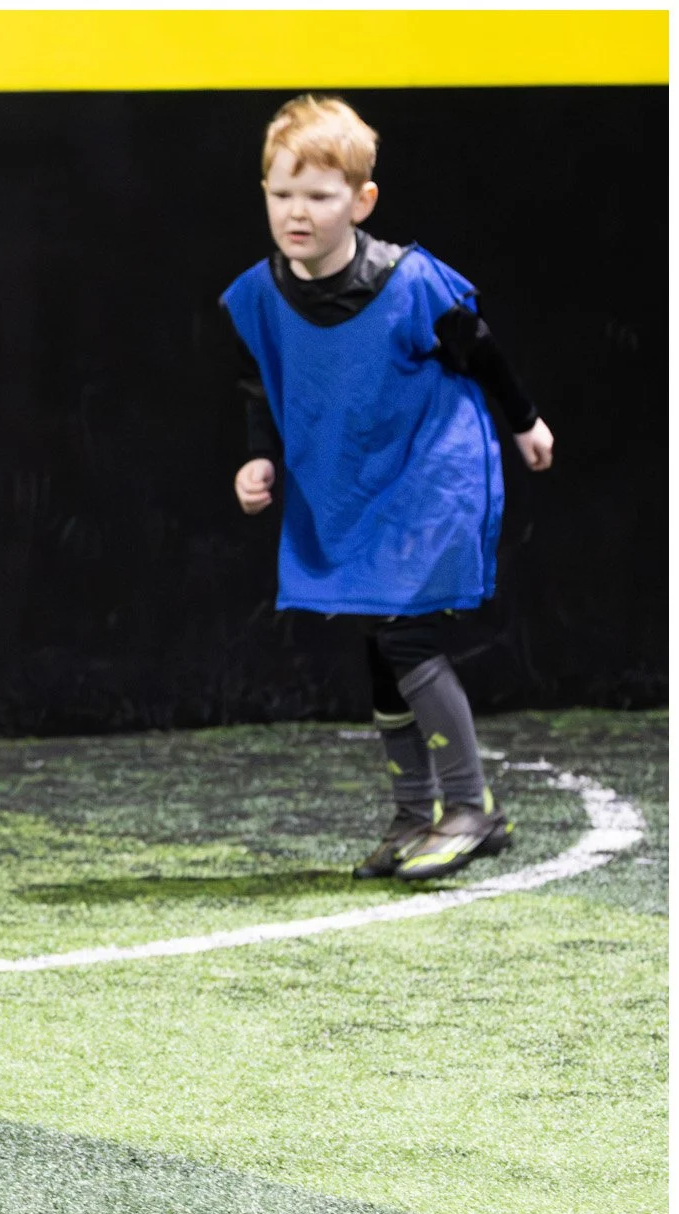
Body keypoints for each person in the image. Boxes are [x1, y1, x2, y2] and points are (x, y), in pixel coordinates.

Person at [223, 95, 556, 883]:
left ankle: (469, 807)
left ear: (362, 201)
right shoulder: (262, 295)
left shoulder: (410, 284)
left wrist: (527, 423)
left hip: (431, 477)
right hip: (353, 488)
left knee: (405, 636)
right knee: (380, 647)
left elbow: (481, 352)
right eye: (282, 194)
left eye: (319, 195)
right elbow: (259, 387)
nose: (296, 212)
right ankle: (416, 812)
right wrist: (257, 458)